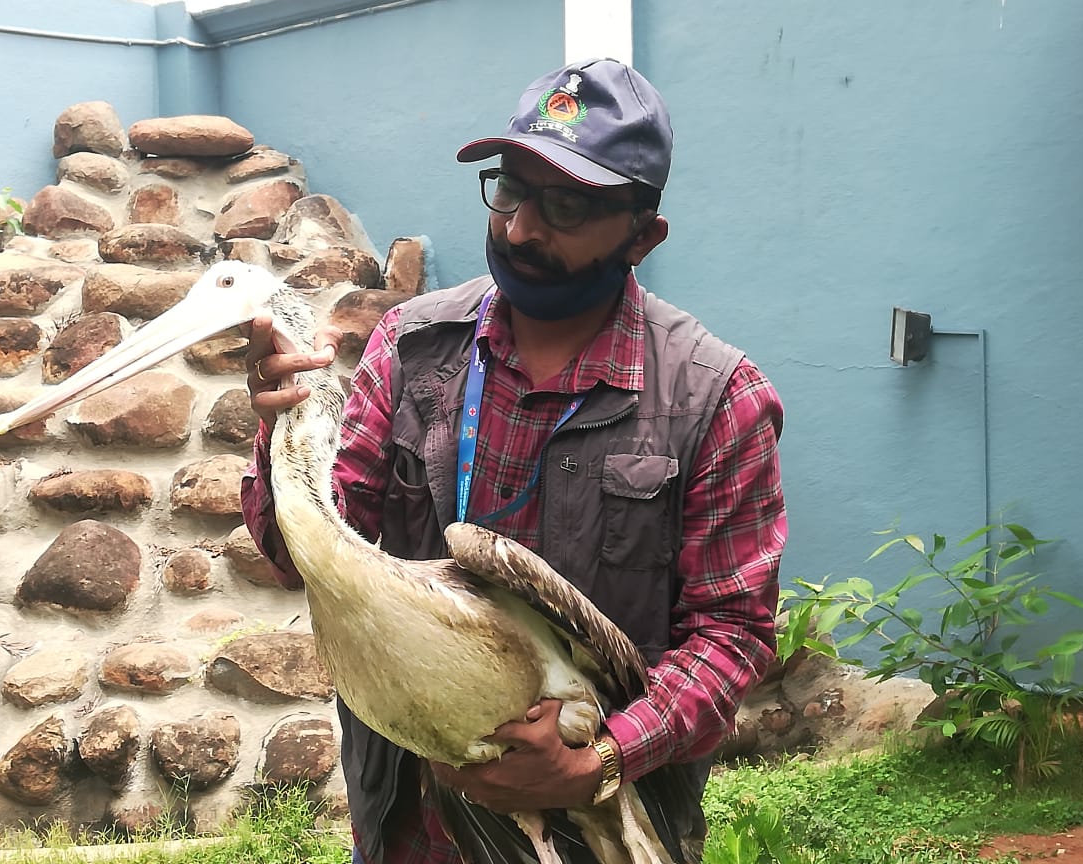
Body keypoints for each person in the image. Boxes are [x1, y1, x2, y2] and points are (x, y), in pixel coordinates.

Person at [241, 57, 786, 864]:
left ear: (643, 234)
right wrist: (284, 432)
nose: (521, 229)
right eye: (512, 190)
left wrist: (599, 758)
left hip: (606, 828)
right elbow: (304, 559)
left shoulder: (716, 399)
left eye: (566, 205)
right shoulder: (410, 348)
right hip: (411, 819)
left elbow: (731, 634)